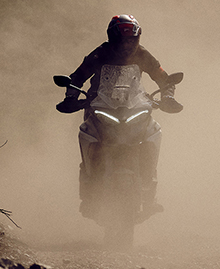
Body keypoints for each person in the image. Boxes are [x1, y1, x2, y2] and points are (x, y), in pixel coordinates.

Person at [56, 14, 183, 218]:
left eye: (131, 40)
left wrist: (167, 96)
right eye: (122, 40)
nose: (127, 44)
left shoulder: (143, 55)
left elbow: (164, 78)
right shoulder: (100, 54)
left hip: (133, 106)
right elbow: (77, 76)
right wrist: (71, 95)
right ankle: (90, 190)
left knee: (153, 131)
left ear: (137, 39)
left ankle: (150, 193)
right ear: (112, 38)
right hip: (99, 107)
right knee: (87, 133)